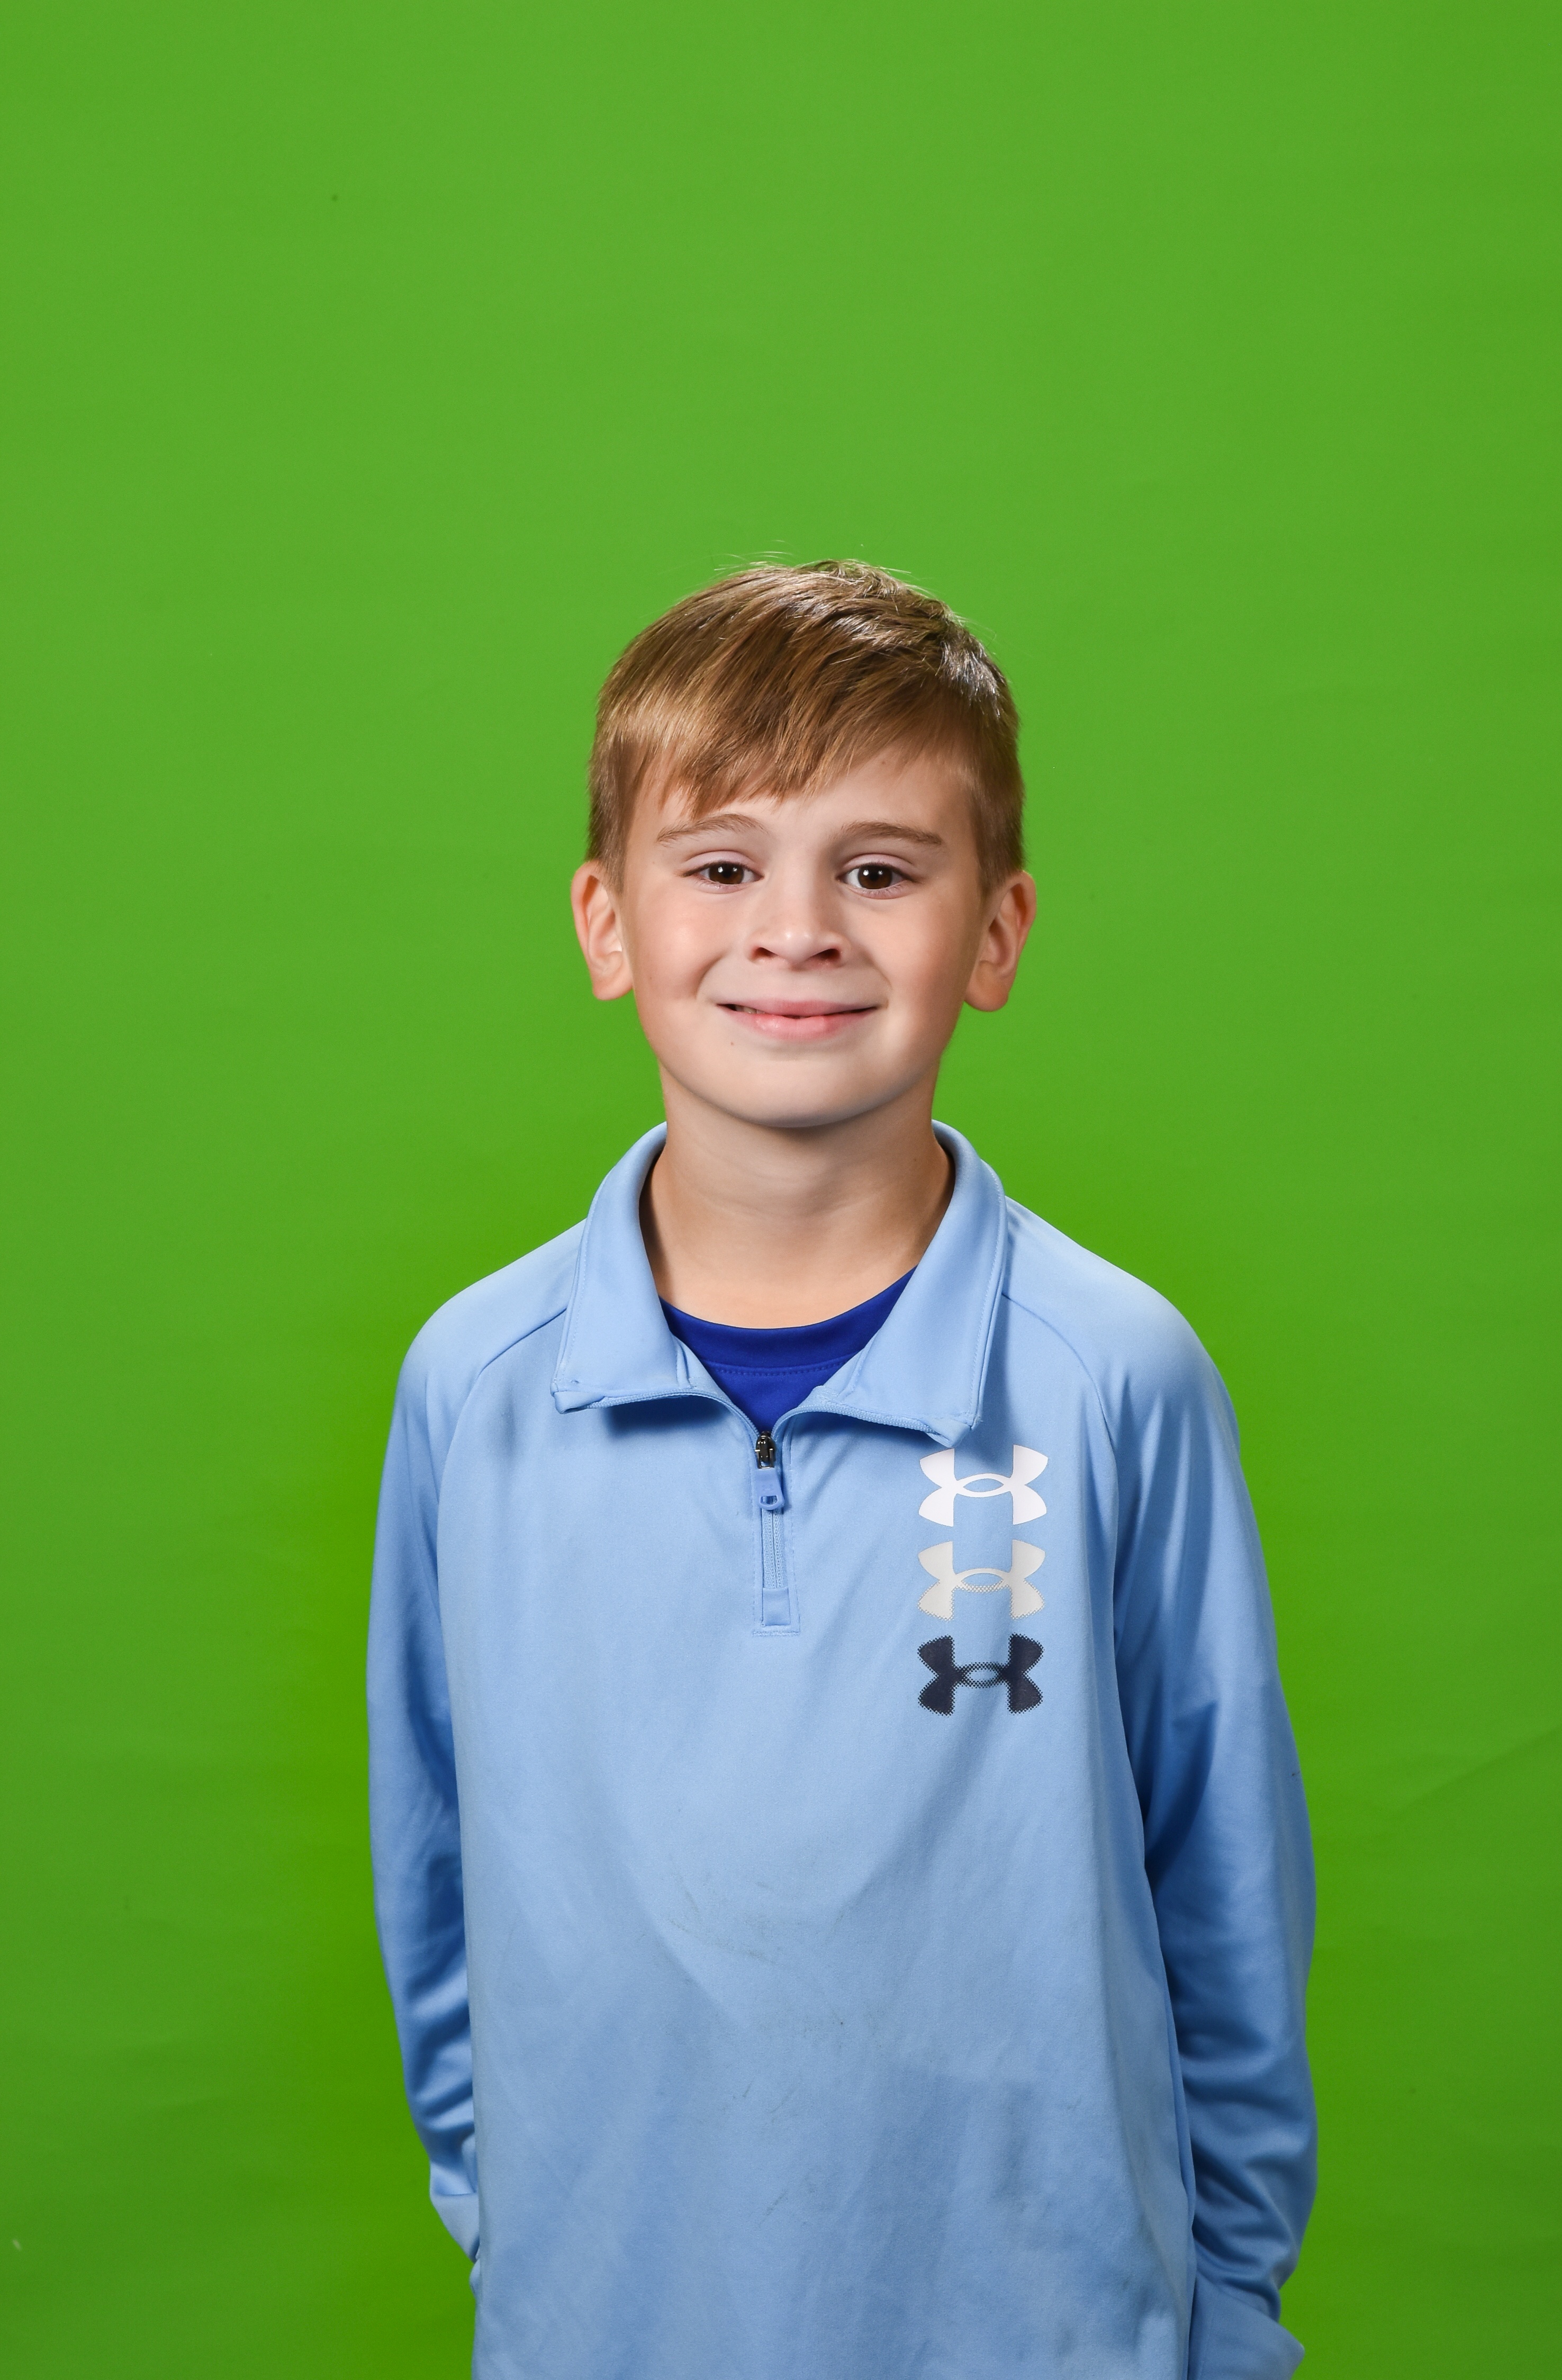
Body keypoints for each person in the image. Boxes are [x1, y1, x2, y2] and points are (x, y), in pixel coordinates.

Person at [367, 562, 1315, 2380]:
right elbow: (438, 1874)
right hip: (609, 2329)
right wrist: (521, 2233)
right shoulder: (476, 1388)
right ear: (606, 923)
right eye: (722, 867)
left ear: (997, 934)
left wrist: (1231, 2317)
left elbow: (1229, 1905)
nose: (796, 930)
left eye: (879, 872)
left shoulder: (1114, 1377)